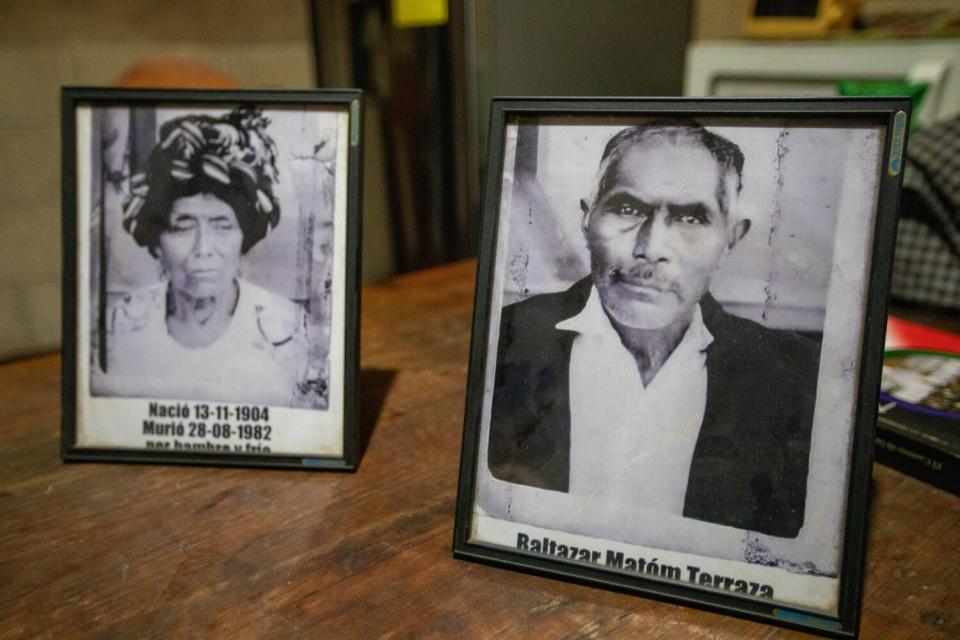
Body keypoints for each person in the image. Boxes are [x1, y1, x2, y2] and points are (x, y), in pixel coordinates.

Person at [488, 123, 820, 539]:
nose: (651, 246)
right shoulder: (505, 339)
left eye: (692, 217)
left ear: (731, 237)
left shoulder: (795, 378)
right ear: (586, 217)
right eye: (627, 209)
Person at [91, 107, 310, 406]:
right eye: (183, 227)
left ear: (244, 236)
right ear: (157, 238)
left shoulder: (291, 333)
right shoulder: (119, 328)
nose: (203, 249)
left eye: (222, 226)